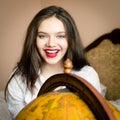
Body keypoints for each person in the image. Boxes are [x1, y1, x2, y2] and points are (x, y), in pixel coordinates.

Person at [5, 5, 101, 118]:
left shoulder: (88, 75)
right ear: (33, 39)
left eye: (60, 36)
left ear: (71, 39)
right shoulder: (19, 78)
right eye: (42, 36)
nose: (51, 43)